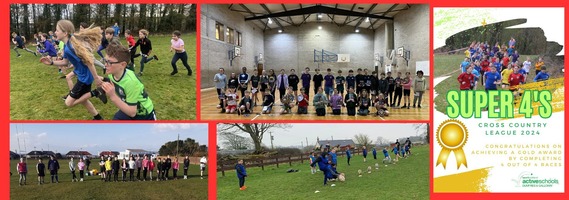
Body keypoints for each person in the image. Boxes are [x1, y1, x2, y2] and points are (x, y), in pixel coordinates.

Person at [39, 20, 105, 120]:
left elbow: (89, 61)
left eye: (57, 30)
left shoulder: (72, 47)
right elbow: (65, 62)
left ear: (65, 33)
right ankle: (98, 118)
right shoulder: (67, 45)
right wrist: (51, 63)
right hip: (83, 75)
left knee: (69, 103)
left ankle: (96, 92)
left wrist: (96, 78)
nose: (55, 32)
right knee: (83, 100)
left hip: (84, 78)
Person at [99, 43, 156, 120]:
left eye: (109, 62)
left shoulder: (131, 82)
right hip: (128, 106)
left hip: (144, 114)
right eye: (105, 60)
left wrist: (113, 96)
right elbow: (117, 82)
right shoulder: (112, 73)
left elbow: (132, 113)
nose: (105, 65)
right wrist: (103, 79)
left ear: (122, 65)